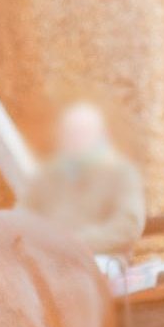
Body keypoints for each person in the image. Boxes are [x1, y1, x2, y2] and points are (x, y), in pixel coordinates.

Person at [19, 102, 147, 282]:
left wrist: (76, 243)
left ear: (99, 135)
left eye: (82, 132)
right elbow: (20, 218)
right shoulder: (47, 176)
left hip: (100, 257)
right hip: (48, 257)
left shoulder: (121, 173)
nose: (74, 138)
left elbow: (127, 225)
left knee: (73, 278)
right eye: (69, 132)